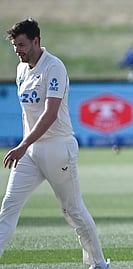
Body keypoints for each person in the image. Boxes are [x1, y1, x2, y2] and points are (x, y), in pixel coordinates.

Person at [1, 18, 110, 269]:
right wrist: (27, 146)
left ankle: (100, 264)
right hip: (30, 152)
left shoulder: (55, 67)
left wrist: (22, 144)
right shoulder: (21, 70)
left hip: (58, 147)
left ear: (36, 41)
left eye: (22, 45)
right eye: (15, 46)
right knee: (9, 206)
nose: (18, 50)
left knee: (72, 210)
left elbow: (50, 114)